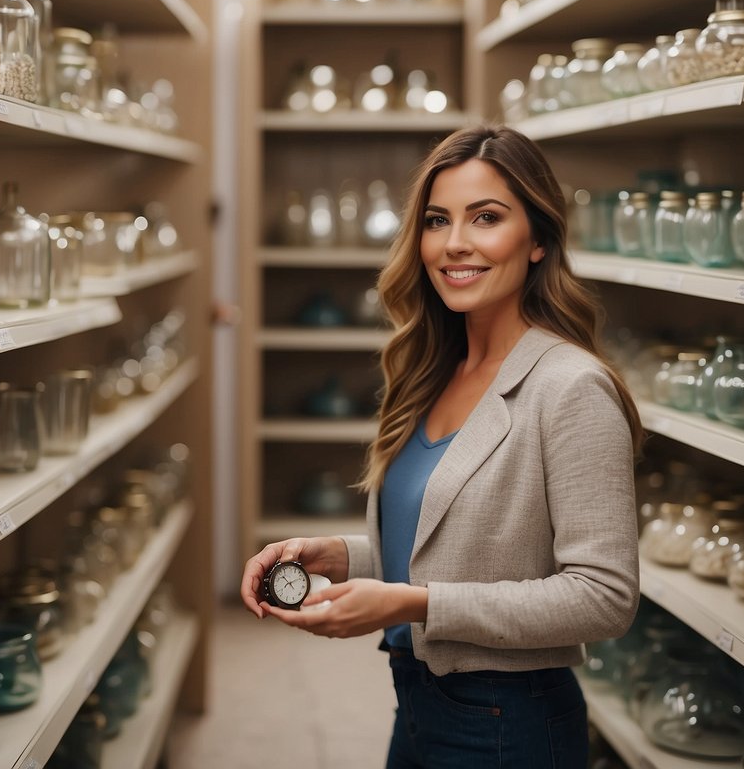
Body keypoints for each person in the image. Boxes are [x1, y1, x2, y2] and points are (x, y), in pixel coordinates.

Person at [241, 125, 645, 768]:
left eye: (486, 218)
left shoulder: (571, 388)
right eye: (437, 220)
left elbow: (604, 596)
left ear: (538, 240)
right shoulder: (434, 368)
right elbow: (463, 543)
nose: (455, 243)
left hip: (510, 721)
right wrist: (343, 557)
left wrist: (414, 604)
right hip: (419, 704)